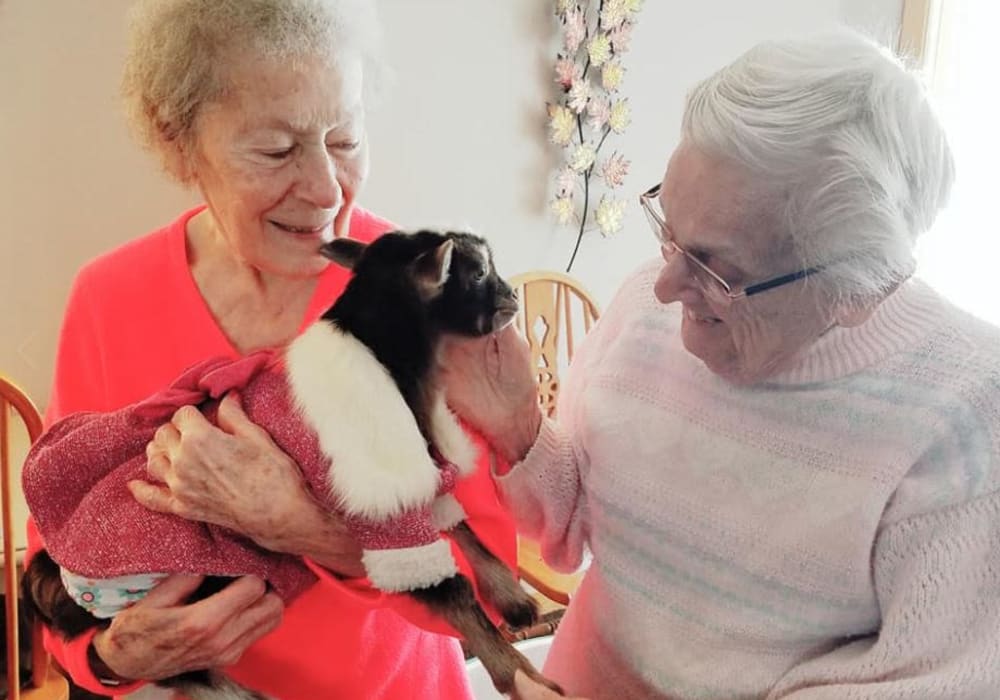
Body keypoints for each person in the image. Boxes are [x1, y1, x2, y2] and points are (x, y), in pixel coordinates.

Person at [443, 30, 1000, 699]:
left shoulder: (964, 412)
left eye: (715, 267)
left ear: (855, 285)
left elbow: (944, 680)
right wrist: (519, 430)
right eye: (668, 230)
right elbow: (576, 525)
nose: (663, 286)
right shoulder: (650, 308)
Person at [26, 1, 518, 698]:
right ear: (178, 142)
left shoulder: (432, 291)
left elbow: (494, 589)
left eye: (344, 139)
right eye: (277, 149)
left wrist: (305, 528)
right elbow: (60, 549)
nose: (325, 190)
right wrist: (111, 658)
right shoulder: (108, 296)